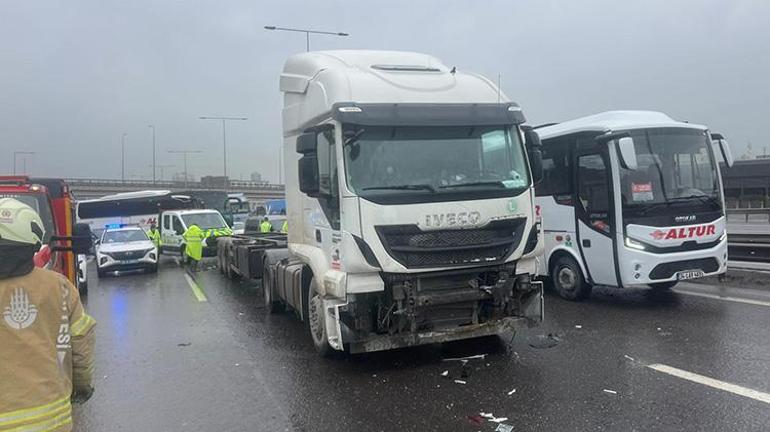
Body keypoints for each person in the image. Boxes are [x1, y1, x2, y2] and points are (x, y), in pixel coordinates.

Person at [0, 198, 95, 432]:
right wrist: (81, 387)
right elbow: (80, 346)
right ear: (32, 244)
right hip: (51, 419)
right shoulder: (59, 287)